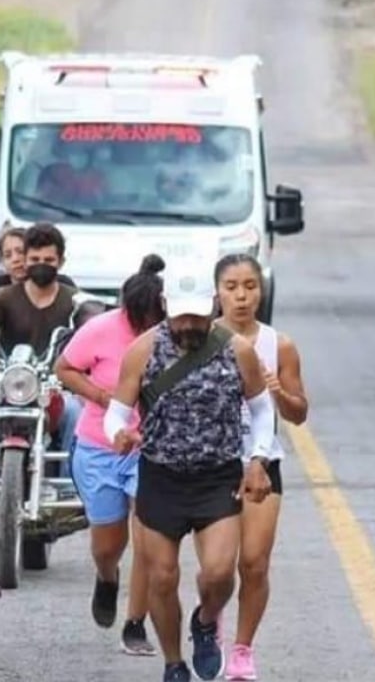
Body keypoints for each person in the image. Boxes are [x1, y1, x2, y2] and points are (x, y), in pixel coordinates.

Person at [103, 257, 277, 682]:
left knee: (218, 574)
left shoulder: (237, 351)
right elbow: (116, 411)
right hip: (160, 477)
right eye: (181, 316)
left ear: (212, 307)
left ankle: (205, 619)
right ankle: (173, 662)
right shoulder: (143, 349)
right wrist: (119, 433)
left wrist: (257, 459)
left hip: (216, 476)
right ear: (166, 305)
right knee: (161, 578)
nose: (188, 325)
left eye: (197, 316)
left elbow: (261, 410)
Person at [54, 254, 168, 656]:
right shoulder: (101, 329)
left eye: (152, 318)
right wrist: (102, 397)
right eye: (137, 318)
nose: (143, 326)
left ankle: (135, 624)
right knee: (108, 544)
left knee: (148, 542)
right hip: (100, 446)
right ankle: (107, 578)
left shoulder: (173, 333)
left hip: (152, 450)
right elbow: (64, 368)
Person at [211, 254, 309, 681]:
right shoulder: (201, 337)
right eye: (231, 286)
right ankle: (208, 623)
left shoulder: (278, 344)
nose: (241, 296)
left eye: (249, 286)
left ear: (261, 290)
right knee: (216, 567)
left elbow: (299, 413)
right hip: (211, 463)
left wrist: (277, 393)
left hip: (263, 463)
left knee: (254, 562)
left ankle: (242, 650)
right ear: (217, 291)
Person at [0, 222, 81, 486]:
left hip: (56, 387)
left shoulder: (74, 301)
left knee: (75, 412)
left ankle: (67, 484)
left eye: (49, 259)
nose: (41, 264)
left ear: (61, 261)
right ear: (25, 261)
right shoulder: (3, 297)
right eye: (35, 259)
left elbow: (93, 330)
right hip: (11, 384)